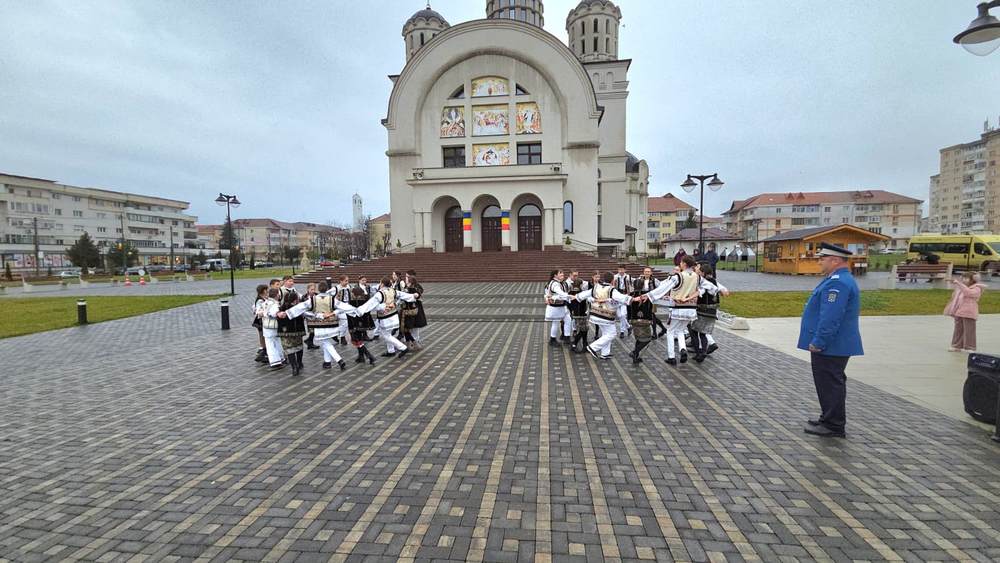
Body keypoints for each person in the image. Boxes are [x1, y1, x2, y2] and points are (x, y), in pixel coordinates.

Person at [798, 242, 863, 439]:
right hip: (834, 344)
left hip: (832, 345)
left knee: (830, 384)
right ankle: (828, 418)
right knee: (828, 383)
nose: (819, 262)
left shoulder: (838, 283)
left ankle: (833, 425)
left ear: (835, 260)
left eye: (822, 258)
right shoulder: (837, 279)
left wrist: (819, 341)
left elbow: (830, 317)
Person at [644, 256, 700, 365]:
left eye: (681, 262)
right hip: (691, 309)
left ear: (684, 264)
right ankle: (682, 349)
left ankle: (671, 357)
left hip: (678, 308)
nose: (680, 264)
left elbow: (663, 288)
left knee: (670, 331)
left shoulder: (678, 277)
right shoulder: (696, 276)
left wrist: (649, 295)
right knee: (680, 330)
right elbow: (703, 289)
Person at [574, 272, 638, 360]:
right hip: (606, 316)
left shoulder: (596, 287)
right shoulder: (611, 290)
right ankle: (593, 347)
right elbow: (621, 298)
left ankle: (605, 353)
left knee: (606, 334)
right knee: (612, 334)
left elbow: (585, 294)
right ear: (612, 280)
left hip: (596, 314)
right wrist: (633, 299)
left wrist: (576, 297)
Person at [292, 281, 354, 371]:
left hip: (319, 324)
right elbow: (342, 308)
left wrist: (315, 315)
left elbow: (303, 309)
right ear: (327, 289)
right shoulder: (332, 299)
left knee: (325, 342)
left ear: (318, 289)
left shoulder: (313, 299)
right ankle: (327, 362)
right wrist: (333, 313)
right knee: (326, 341)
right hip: (331, 323)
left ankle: (339, 360)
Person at [352, 277, 419, 359]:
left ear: (382, 284)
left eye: (380, 283)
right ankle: (391, 351)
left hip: (386, 318)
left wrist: (359, 311)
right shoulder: (392, 290)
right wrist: (413, 296)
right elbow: (402, 295)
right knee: (388, 334)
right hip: (394, 315)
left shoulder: (380, 294)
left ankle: (403, 348)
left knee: (386, 335)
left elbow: (370, 303)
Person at [690, 264, 729, 363]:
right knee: (703, 333)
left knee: (693, 331)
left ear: (703, 273)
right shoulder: (714, 281)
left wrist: (689, 297)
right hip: (712, 312)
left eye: (700, 272)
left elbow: (700, 292)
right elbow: (723, 291)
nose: (699, 273)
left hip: (702, 311)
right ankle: (703, 352)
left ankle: (699, 353)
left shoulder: (704, 283)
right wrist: (723, 292)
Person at [945, 271, 987, 352]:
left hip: (969, 312)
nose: (964, 280)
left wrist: (959, 284)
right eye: (963, 278)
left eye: (966, 278)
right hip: (959, 311)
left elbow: (968, 293)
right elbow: (955, 297)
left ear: (973, 279)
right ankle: (956, 346)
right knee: (958, 330)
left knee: (969, 330)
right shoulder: (961, 287)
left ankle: (970, 347)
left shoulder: (977, 288)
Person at [276, 276, 307, 376]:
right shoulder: (297, 308)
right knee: (298, 347)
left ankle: (294, 367)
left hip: (285, 332)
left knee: (289, 349)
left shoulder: (281, 308)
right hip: (297, 331)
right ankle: (299, 363)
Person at [628, 268, 659, 365]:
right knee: (647, 339)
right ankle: (635, 352)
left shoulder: (631, 295)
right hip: (645, 320)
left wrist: (629, 318)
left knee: (638, 338)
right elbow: (650, 309)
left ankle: (636, 357)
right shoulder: (647, 296)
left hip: (634, 320)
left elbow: (628, 307)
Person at [257, 287, 285, 370]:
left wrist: (263, 313)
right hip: (274, 326)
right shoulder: (275, 304)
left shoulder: (265, 302)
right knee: (276, 342)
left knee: (271, 344)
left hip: (267, 326)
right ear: (277, 295)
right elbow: (273, 313)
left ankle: (276, 361)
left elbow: (258, 312)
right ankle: (280, 359)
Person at [349, 286, 377, 365]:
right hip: (363, 323)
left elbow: (350, 314)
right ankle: (361, 357)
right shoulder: (365, 301)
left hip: (354, 324)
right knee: (359, 339)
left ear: (355, 294)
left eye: (352, 293)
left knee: (357, 340)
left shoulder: (352, 302)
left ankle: (370, 356)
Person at [545, 270, 573, 346]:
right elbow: (559, 292)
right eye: (560, 274)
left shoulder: (561, 283)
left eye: (563, 274)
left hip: (562, 306)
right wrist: (568, 296)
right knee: (556, 322)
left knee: (568, 319)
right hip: (555, 307)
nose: (562, 275)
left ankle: (566, 337)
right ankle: (552, 339)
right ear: (555, 275)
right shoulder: (554, 284)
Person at [402, 272, 427, 349]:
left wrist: (416, 295)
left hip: (413, 310)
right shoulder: (406, 287)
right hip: (407, 310)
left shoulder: (414, 288)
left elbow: (418, 294)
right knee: (408, 327)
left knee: (414, 326)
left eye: (407, 277)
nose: (405, 279)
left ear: (410, 280)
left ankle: (415, 341)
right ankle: (409, 342)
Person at [567, 272, 590, 353]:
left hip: (578, 312)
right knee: (584, 329)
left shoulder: (571, 292)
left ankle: (584, 344)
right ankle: (575, 343)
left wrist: (571, 311)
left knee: (584, 329)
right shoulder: (581, 293)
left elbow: (569, 303)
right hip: (580, 312)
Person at [613, 265, 632, 338]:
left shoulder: (628, 277)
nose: (621, 271)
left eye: (622, 269)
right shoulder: (615, 277)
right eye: (619, 270)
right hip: (617, 296)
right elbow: (612, 285)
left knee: (623, 314)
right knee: (619, 315)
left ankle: (622, 331)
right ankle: (628, 326)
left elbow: (632, 285)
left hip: (624, 295)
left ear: (625, 270)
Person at [333, 275, 352, 346]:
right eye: (345, 281)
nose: (347, 282)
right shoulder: (336, 288)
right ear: (341, 281)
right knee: (344, 322)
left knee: (346, 322)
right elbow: (328, 294)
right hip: (340, 307)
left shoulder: (349, 287)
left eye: (348, 281)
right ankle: (342, 337)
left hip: (348, 306)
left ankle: (336, 334)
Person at [252, 284, 268, 364]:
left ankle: (263, 352)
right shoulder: (260, 300)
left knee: (263, 336)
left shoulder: (263, 298)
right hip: (261, 321)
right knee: (263, 336)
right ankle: (262, 354)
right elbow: (257, 310)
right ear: (263, 291)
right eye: (266, 289)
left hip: (262, 320)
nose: (267, 291)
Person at [302, 282, 321, 350]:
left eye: (314, 289)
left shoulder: (317, 296)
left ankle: (309, 341)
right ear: (308, 289)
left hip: (316, 314)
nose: (313, 291)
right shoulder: (304, 297)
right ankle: (310, 342)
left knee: (315, 329)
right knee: (312, 329)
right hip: (308, 315)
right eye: (311, 289)